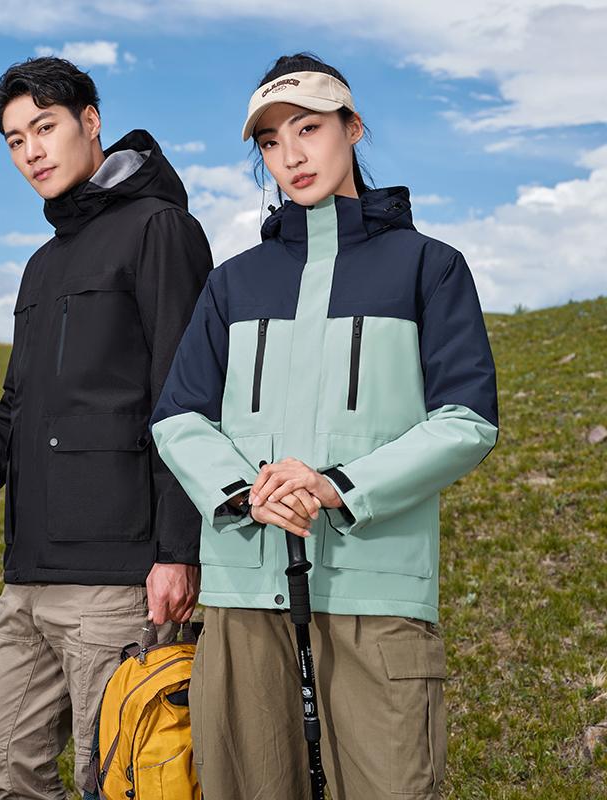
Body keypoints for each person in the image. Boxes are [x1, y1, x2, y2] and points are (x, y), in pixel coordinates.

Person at [150, 52, 499, 800]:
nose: (291, 155)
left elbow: (467, 419)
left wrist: (337, 485)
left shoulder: (429, 268)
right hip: (245, 594)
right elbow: (178, 416)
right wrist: (247, 491)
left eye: (308, 128)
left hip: (378, 595)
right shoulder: (232, 282)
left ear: (353, 127)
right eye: (271, 141)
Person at [0, 56, 211, 798]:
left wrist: (178, 551)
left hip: (119, 577)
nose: (31, 151)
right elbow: (15, 412)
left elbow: (186, 400)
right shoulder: (41, 264)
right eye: (15, 139)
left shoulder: (160, 230)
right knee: (6, 763)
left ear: (91, 122)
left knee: (116, 777)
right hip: (29, 572)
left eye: (45, 127)